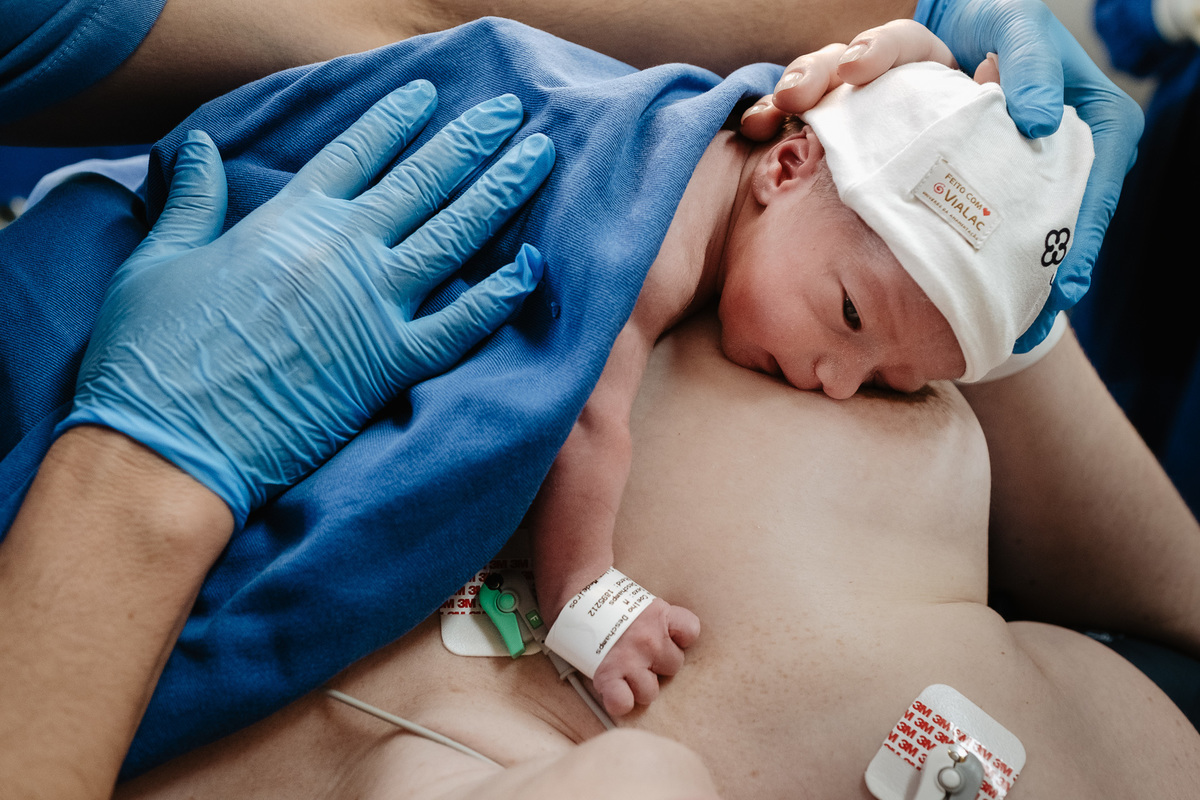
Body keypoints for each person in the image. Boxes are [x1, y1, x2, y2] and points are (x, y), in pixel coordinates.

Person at [527, 20, 1095, 718]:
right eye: (851, 314)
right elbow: (585, 417)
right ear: (785, 167)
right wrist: (585, 594)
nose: (838, 381)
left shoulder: (776, 203)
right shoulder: (651, 240)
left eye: (892, 381)